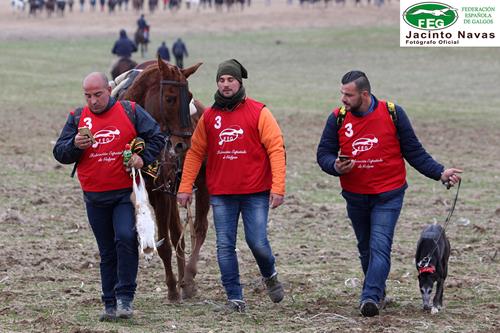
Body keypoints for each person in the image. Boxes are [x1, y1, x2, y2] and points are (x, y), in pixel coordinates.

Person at [316, 70, 462, 317]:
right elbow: (324, 154)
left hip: (388, 195)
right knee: (365, 248)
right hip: (355, 195)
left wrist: (440, 172)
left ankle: (370, 297)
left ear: (364, 94)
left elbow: (414, 151)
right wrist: (335, 166)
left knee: (379, 246)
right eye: (342, 93)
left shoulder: (393, 114)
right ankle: (379, 291)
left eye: (348, 95)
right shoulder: (338, 118)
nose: (343, 99)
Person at [177, 59, 286, 312]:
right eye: (222, 80)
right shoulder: (209, 117)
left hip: (255, 193)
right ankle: (234, 298)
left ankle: (269, 275)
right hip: (222, 194)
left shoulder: (259, 112)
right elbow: (194, 154)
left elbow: (276, 149)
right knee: (224, 246)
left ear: (239, 82)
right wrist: (185, 187)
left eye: (231, 80)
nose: (226, 85)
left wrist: (278, 187)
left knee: (257, 242)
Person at [53, 72, 164, 321]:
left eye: (98, 95)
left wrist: (142, 158)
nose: (93, 101)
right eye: (88, 96)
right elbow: (59, 152)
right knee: (106, 251)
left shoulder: (130, 111)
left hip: (124, 194)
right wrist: (74, 145)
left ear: (108, 90)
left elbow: (157, 136)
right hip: (94, 197)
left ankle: (125, 298)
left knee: (125, 238)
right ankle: (109, 303)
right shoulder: (77, 118)